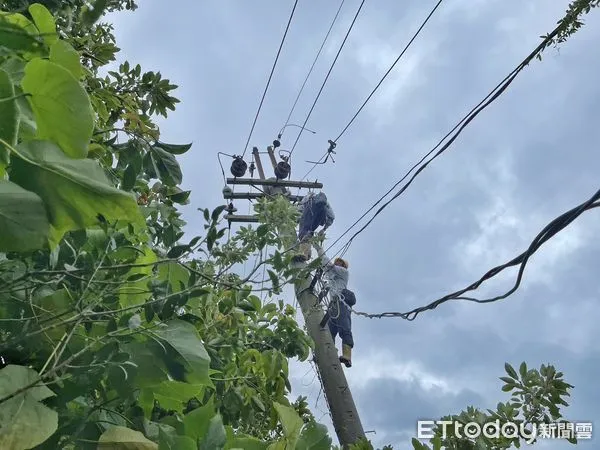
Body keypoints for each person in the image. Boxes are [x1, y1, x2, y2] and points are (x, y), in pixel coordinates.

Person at [313, 242, 354, 368]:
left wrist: (319, 248)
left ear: (343, 266)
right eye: (337, 262)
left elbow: (328, 265)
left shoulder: (343, 272)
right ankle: (328, 355)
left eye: (340, 262)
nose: (337, 263)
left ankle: (347, 356)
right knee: (329, 333)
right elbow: (326, 267)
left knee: (344, 328)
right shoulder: (332, 277)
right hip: (333, 307)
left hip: (341, 305)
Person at [294, 192, 334, 261]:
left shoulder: (309, 199)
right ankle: (308, 254)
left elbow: (300, 210)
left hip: (311, 209)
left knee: (304, 231)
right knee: (309, 232)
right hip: (321, 215)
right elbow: (332, 217)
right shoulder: (325, 204)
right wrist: (324, 229)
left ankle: (304, 253)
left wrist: (295, 219)